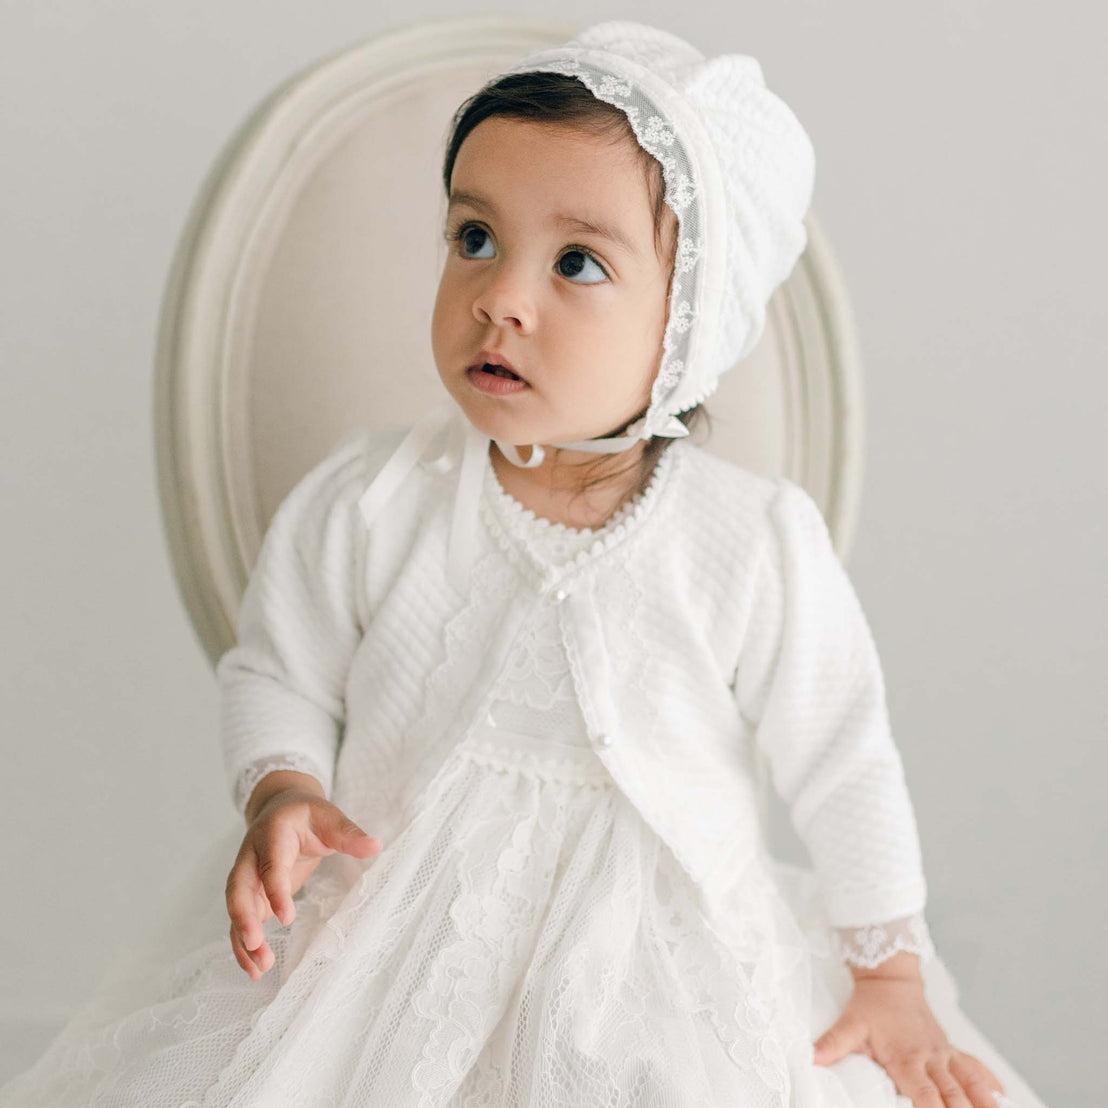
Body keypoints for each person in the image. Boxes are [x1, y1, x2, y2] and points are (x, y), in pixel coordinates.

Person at [0, 20, 1049, 1108]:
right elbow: (278, 670)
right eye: (473, 238)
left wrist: (887, 975)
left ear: (686, 325)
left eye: (577, 262)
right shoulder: (372, 501)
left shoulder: (746, 541)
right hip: (388, 950)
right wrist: (284, 783)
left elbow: (844, 761)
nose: (502, 294)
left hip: (660, 967)